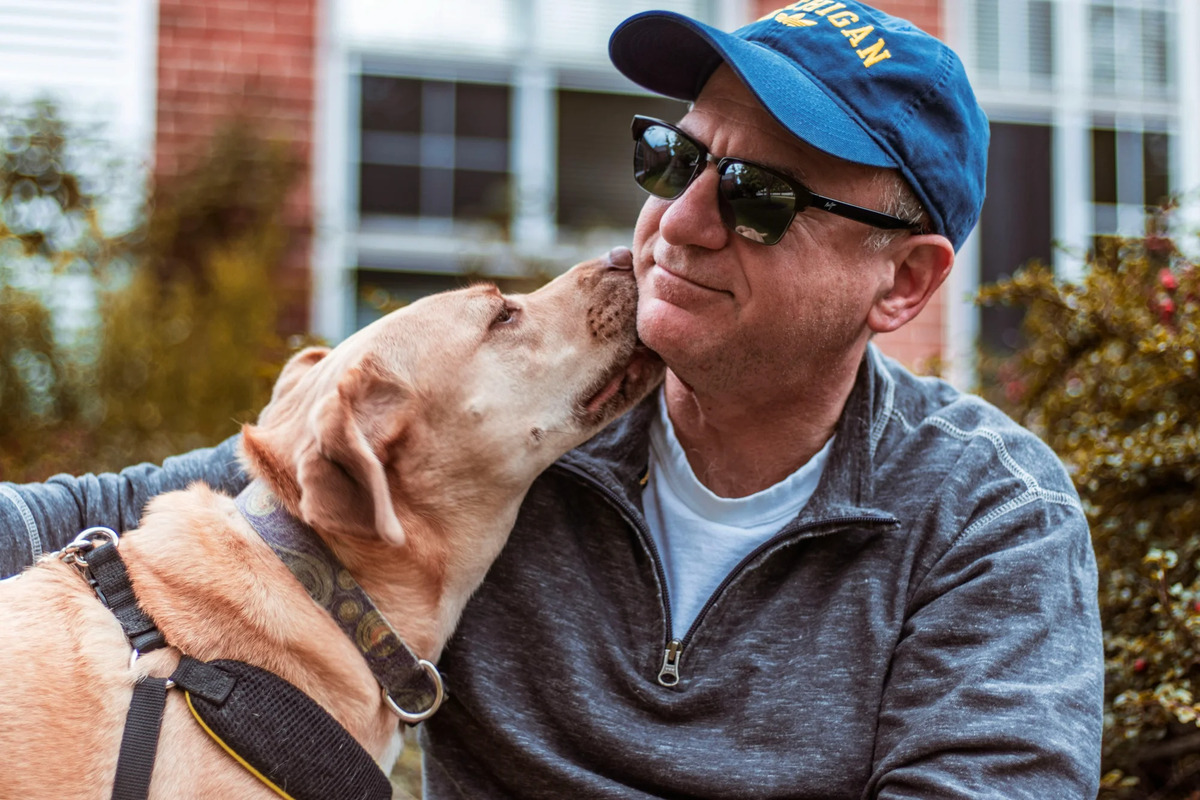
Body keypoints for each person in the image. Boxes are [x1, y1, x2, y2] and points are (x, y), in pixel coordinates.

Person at [1, 3, 1103, 797]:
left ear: (903, 282)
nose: (678, 221)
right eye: (677, 157)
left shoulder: (985, 516)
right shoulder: (505, 429)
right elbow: (108, 522)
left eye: (760, 196)